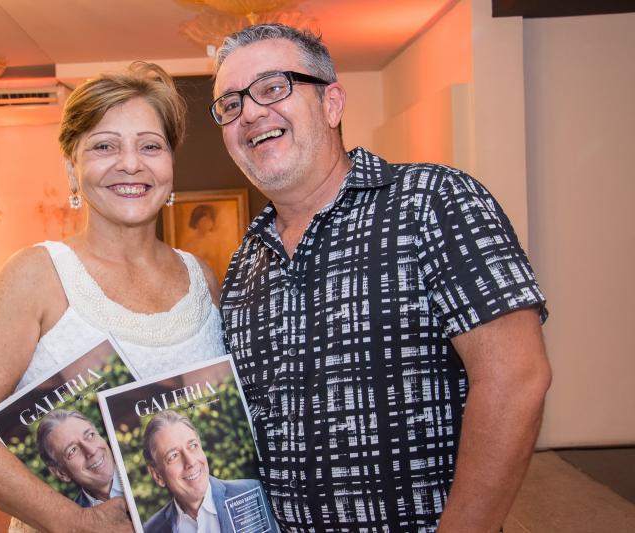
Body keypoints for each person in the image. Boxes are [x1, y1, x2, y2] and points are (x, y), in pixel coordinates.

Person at [210, 23, 552, 532]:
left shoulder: (433, 200)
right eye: (230, 104)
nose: (251, 113)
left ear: (331, 104)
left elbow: (516, 377)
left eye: (273, 87)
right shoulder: (245, 263)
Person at [0, 62, 226, 533]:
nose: (131, 163)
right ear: (72, 168)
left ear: (171, 164)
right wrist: (72, 521)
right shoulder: (37, 275)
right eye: (105, 146)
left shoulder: (202, 278)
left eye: (150, 146)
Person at [142, 410, 275, 533]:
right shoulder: (149, 530)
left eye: (193, 446)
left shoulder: (253, 492)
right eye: (173, 456)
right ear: (157, 475)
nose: (191, 462)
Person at [37, 409, 122, 508]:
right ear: (61, 473)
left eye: (90, 435)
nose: (91, 451)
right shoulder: (72, 516)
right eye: (72, 450)